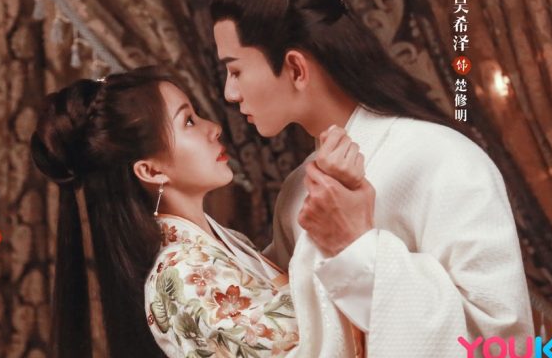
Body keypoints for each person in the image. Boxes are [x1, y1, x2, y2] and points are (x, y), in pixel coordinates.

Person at [209, 0, 534, 357]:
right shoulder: (297, 192)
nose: (229, 93)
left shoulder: (444, 159)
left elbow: (501, 340)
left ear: (295, 68)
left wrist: (354, 245)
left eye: (236, 71)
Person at [31, 67, 367, 357]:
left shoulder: (217, 245)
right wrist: (337, 222)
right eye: (189, 121)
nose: (214, 127)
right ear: (151, 171)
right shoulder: (181, 275)